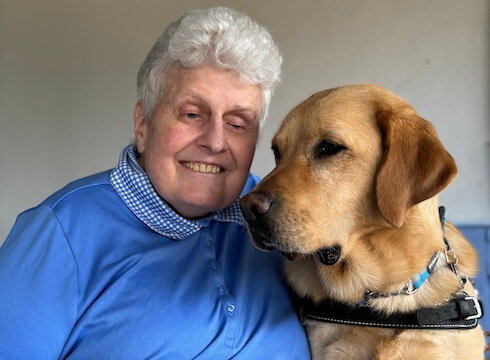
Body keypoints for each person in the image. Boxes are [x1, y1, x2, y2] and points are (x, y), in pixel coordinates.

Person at [0, 6, 311, 360]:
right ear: (143, 124)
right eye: (192, 114)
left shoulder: (273, 214)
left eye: (238, 123)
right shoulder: (59, 234)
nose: (215, 141)